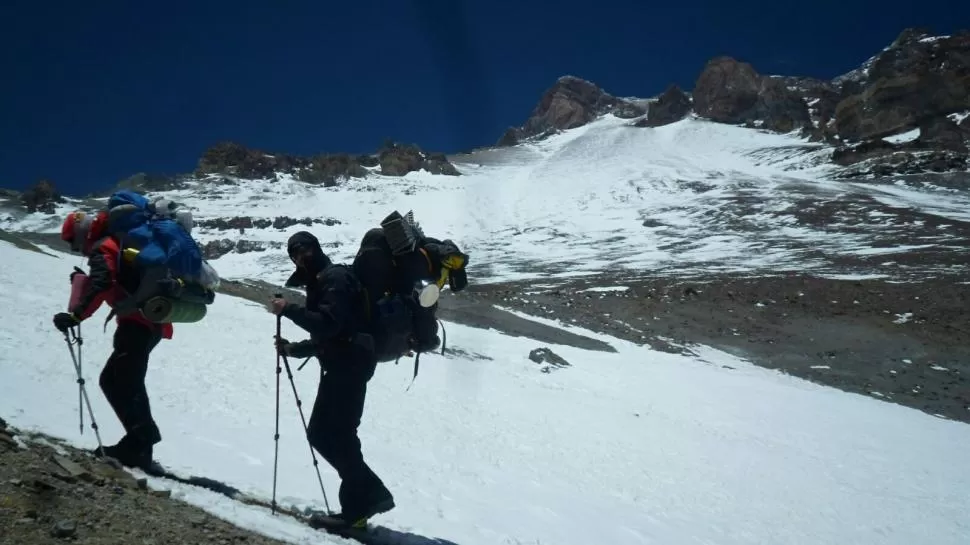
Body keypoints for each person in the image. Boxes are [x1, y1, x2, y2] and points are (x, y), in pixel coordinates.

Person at [269, 231, 394, 529]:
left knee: (332, 435)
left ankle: (363, 502)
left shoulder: (334, 279)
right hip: (346, 363)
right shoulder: (325, 280)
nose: (301, 257)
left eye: (304, 250)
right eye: (295, 254)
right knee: (332, 435)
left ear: (316, 248)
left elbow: (328, 324)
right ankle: (363, 502)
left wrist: (289, 309)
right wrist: (295, 349)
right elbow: (336, 334)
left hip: (349, 366)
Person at [53, 210, 173, 470]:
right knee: (118, 379)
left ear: (82, 234)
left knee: (123, 380)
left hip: (136, 323)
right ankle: (139, 442)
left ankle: (140, 445)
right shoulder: (115, 245)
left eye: (75, 242)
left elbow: (103, 283)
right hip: (149, 322)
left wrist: (75, 316)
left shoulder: (103, 248)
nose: (77, 249)